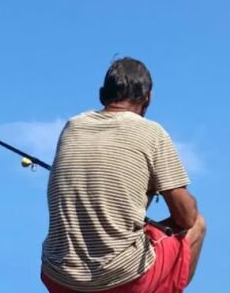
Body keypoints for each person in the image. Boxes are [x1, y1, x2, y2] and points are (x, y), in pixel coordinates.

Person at [41, 58, 206, 293]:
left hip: (58, 276)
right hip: (123, 280)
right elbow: (186, 218)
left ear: (102, 95)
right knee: (198, 225)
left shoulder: (72, 126)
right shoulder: (152, 133)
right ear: (148, 97)